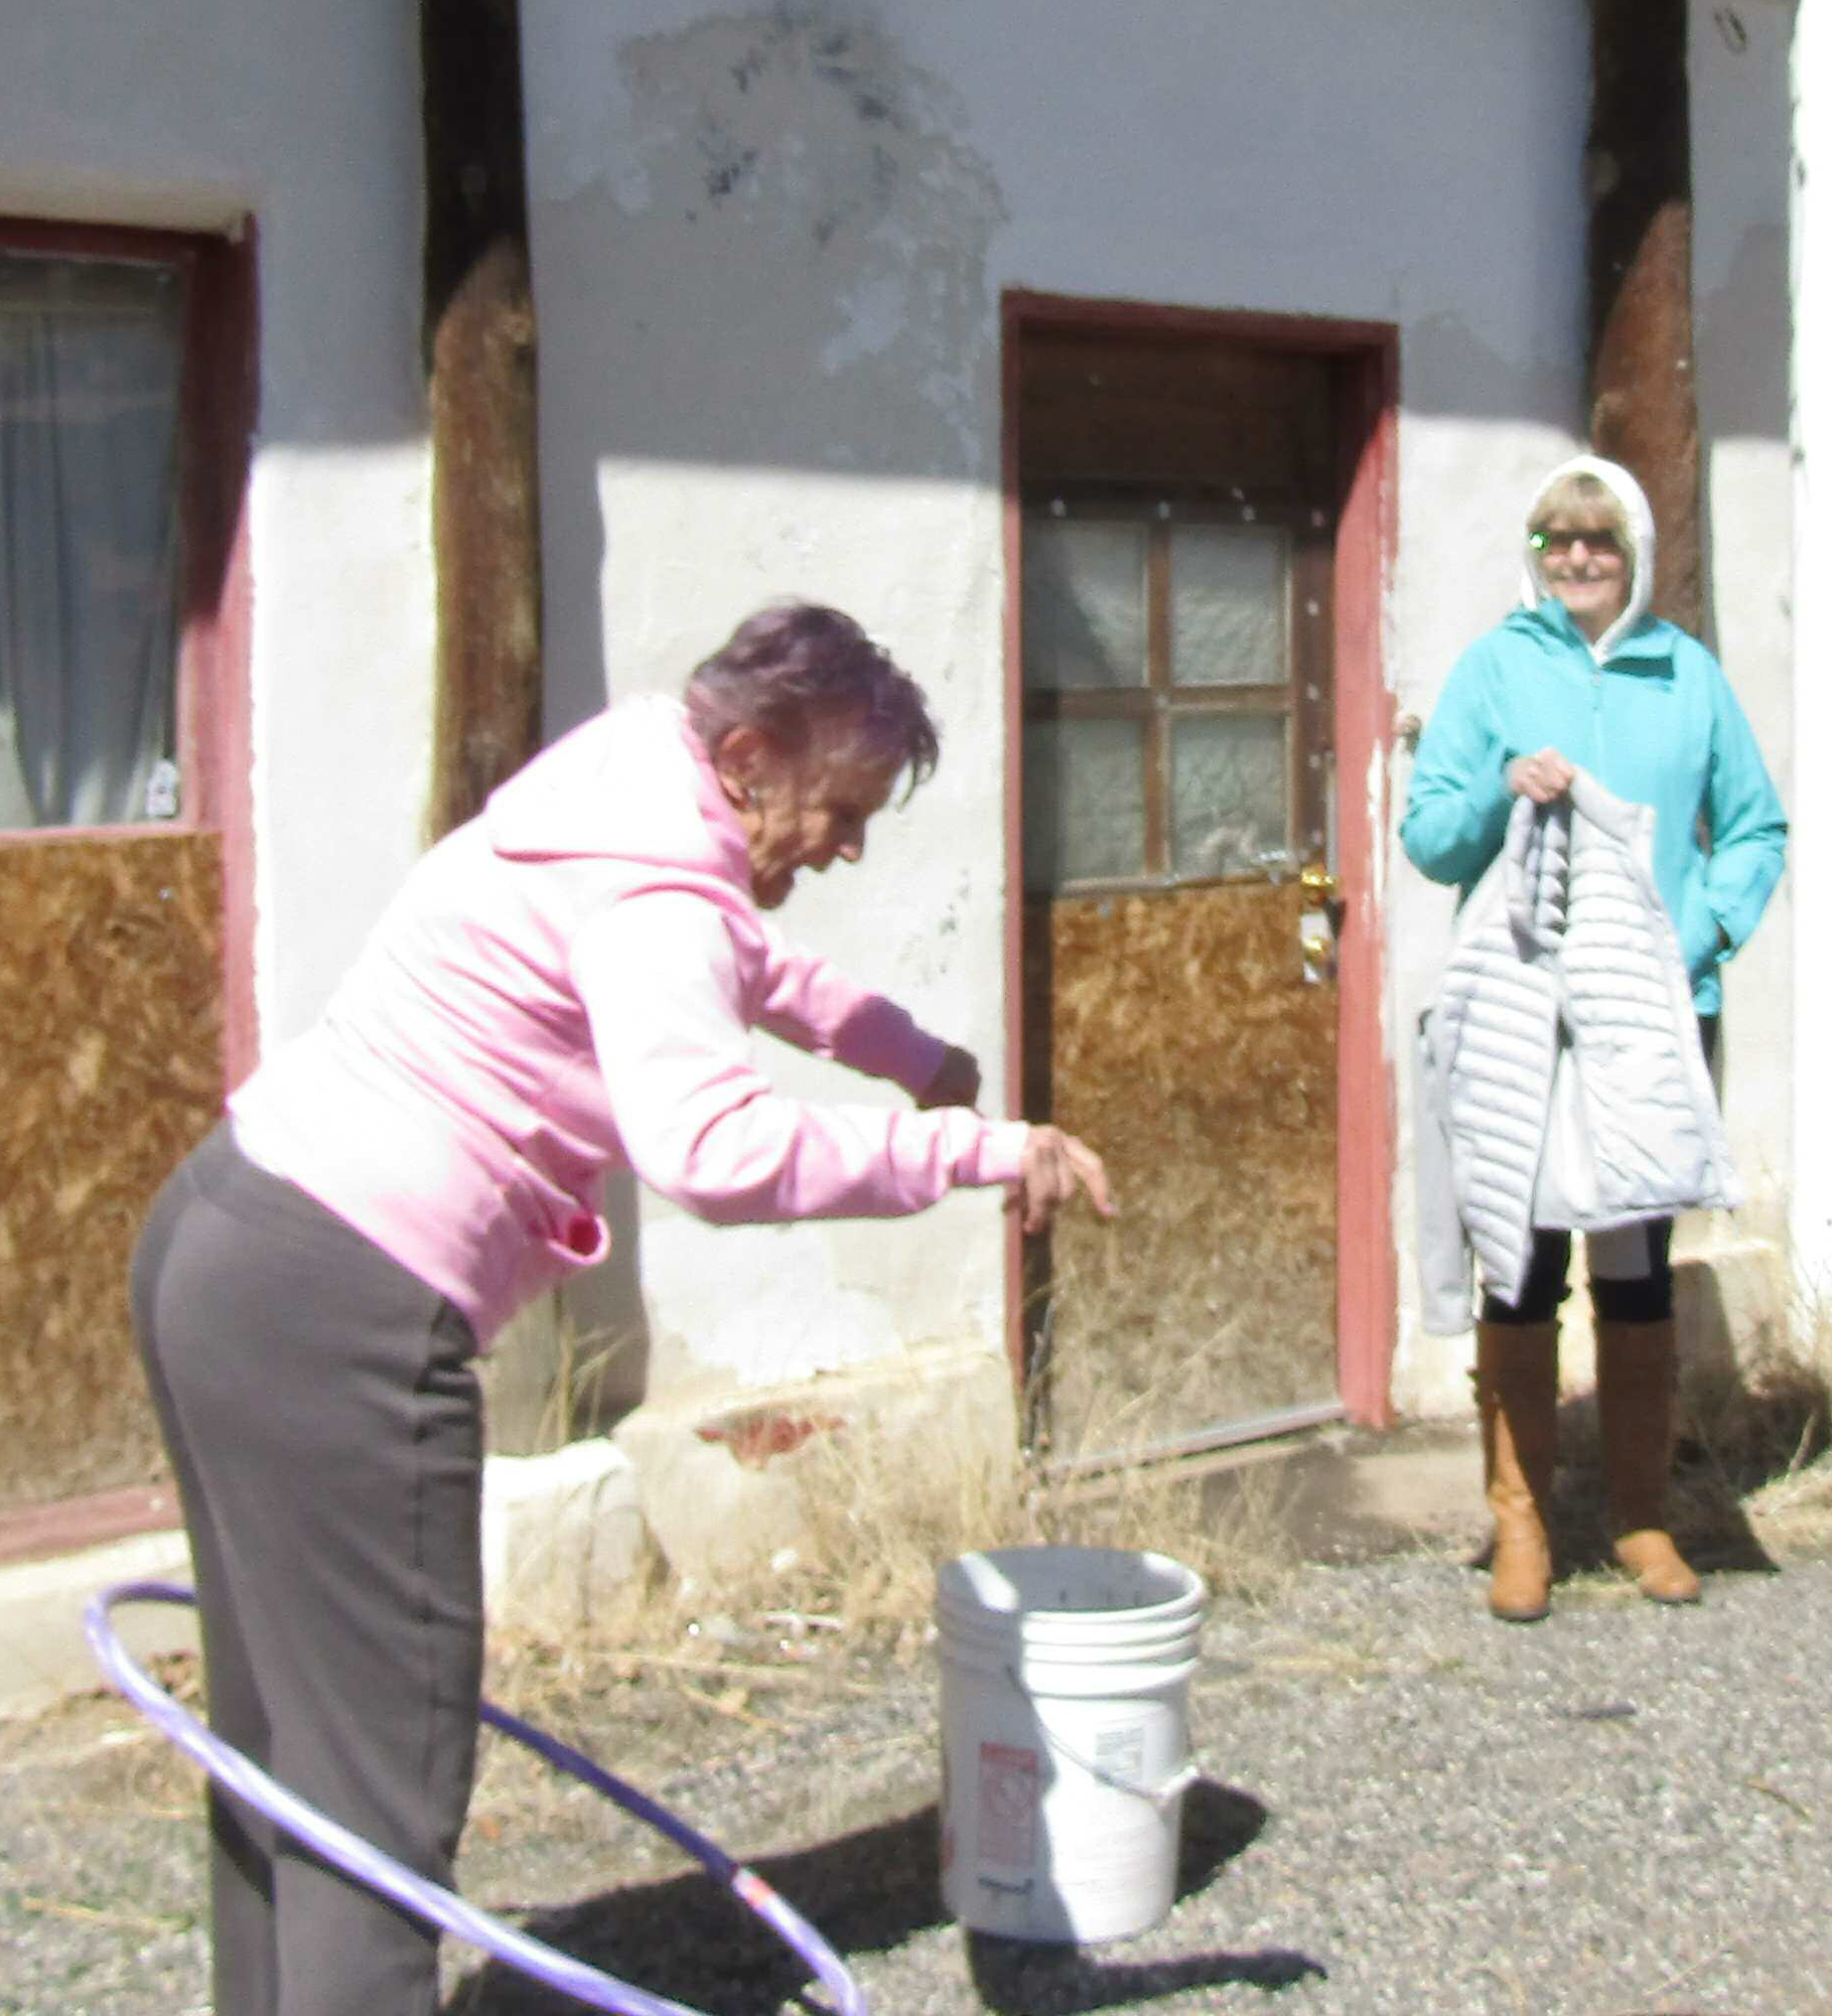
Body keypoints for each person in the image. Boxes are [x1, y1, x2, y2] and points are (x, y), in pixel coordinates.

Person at [129, 604, 1116, 2014]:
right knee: (374, 1808)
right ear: (746, 758)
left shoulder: (622, 799)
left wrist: (909, 1052)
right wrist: (971, 1151)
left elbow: (749, 964)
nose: (847, 846)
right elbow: (709, 1153)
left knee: (284, 1748)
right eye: (839, 809)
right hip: (334, 1310)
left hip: (220, 1241)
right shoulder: (664, 892)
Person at [1402, 455, 1785, 1618]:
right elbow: (1429, 835)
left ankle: (1638, 1515)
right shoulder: (1494, 668)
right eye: (1555, 539)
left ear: (1635, 552)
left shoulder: (1687, 675)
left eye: (1598, 540)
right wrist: (1495, 788)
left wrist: (1695, 938)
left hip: (1650, 1021)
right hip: (1526, 1020)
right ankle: (1520, 1524)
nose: (1575, 559)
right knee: (1519, 1270)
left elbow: (1754, 827)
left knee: (1633, 1269)